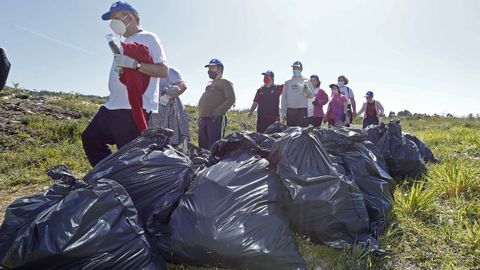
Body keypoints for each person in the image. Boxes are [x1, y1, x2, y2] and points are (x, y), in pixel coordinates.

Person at [81, 1, 168, 167]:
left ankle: (129, 186)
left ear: (130, 17)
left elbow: (163, 70)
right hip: (113, 104)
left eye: (116, 18)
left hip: (133, 107)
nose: (112, 23)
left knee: (130, 157)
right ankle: (108, 176)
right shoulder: (120, 44)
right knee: (91, 137)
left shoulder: (149, 38)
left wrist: (136, 64)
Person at [198, 59, 236, 149]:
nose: (209, 70)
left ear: (220, 69)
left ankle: (214, 162)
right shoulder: (209, 85)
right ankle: (204, 162)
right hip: (204, 118)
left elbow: (231, 98)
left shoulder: (225, 82)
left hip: (215, 118)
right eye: (209, 68)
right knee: (203, 145)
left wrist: (218, 112)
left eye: (213, 67)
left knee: (214, 145)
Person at [149, 67, 190, 146]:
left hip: (167, 109)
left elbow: (182, 86)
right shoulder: (147, 71)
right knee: (153, 138)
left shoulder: (169, 70)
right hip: (152, 109)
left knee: (169, 137)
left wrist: (167, 96)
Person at [281, 61, 315, 127]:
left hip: (302, 110)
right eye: (294, 68)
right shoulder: (288, 82)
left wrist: (305, 88)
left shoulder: (306, 81)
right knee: (290, 132)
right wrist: (283, 112)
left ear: (301, 69)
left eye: (297, 68)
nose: (295, 69)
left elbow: (311, 95)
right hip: (290, 110)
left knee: (301, 132)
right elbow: (283, 98)